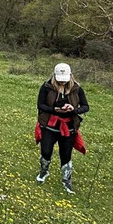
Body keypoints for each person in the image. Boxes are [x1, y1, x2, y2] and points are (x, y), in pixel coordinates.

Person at [34, 63, 88, 194]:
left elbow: (86, 106)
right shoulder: (46, 87)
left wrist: (74, 110)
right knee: (46, 151)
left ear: (70, 76)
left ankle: (66, 180)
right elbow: (40, 105)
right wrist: (54, 110)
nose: (62, 82)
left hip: (68, 127)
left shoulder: (77, 89)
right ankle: (43, 171)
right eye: (60, 80)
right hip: (49, 125)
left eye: (65, 79)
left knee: (66, 154)